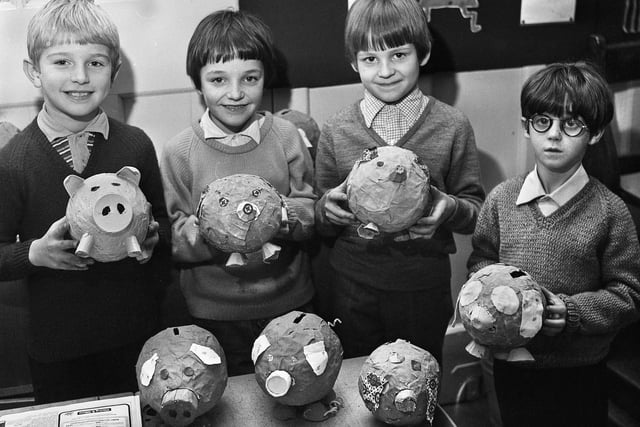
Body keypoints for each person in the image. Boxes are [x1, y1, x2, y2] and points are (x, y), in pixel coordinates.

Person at [0, 0, 170, 404]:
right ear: (34, 72)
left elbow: (160, 224)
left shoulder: (136, 145)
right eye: (62, 62)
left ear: (113, 71)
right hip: (57, 350)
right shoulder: (13, 160)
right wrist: (35, 254)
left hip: (133, 337)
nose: (80, 77)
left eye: (95, 63)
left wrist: (151, 240)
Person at [467, 61, 640, 427]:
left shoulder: (610, 212)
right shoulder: (501, 200)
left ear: (594, 134)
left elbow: (628, 294)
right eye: (542, 121)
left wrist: (572, 313)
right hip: (514, 363)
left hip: (581, 370)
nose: (554, 136)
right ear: (526, 127)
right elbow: (481, 260)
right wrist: (496, 287)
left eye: (571, 124)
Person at [314, 0, 485, 363]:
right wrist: (326, 210)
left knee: (417, 379)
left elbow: (476, 212)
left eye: (398, 55)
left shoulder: (452, 126)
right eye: (370, 59)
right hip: (351, 287)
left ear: (421, 55)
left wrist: (449, 207)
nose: (386, 70)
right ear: (353, 62)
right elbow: (320, 213)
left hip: (421, 287)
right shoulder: (336, 129)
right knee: (356, 385)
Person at [161, 9, 316, 376]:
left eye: (250, 78)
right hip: (214, 312)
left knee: (295, 389)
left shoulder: (287, 138)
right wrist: (218, 229)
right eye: (218, 79)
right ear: (198, 84)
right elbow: (175, 237)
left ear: (266, 78)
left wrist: (279, 218)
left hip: (289, 303)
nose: (235, 93)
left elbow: (310, 213)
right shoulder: (179, 152)